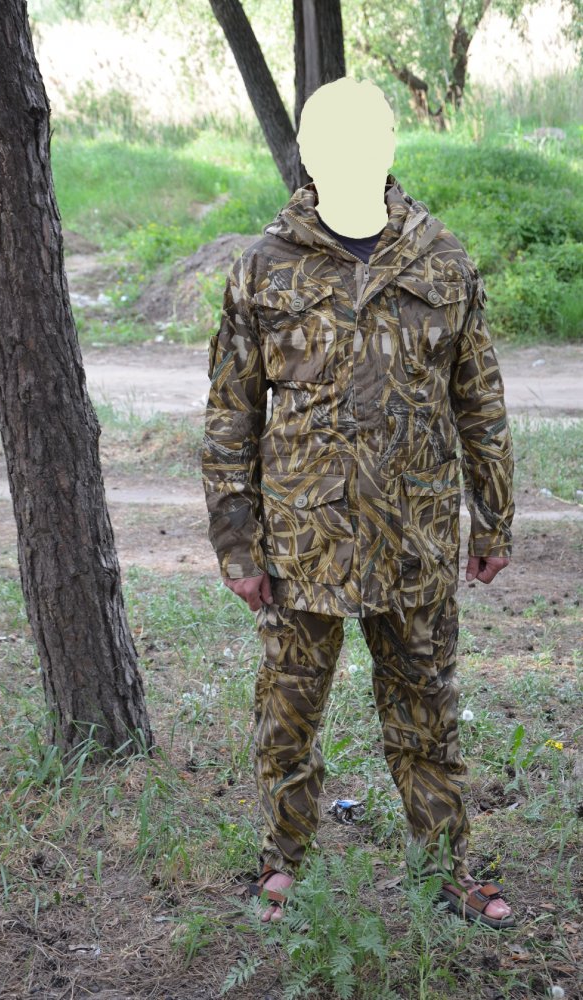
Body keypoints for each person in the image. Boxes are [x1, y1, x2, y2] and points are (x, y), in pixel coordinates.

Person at [201, 78, 515, 929]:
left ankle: (446, 867)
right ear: (307, 150)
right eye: (329, 138)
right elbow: (230, 415)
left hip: (415, 536)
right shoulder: (266, 265)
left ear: (386, 147)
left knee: (427, 712)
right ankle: (284, 861)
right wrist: (237, 545)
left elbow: (479, 401)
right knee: (288, 712)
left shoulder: (441, 259)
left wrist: (493, 519)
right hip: (303, 540)